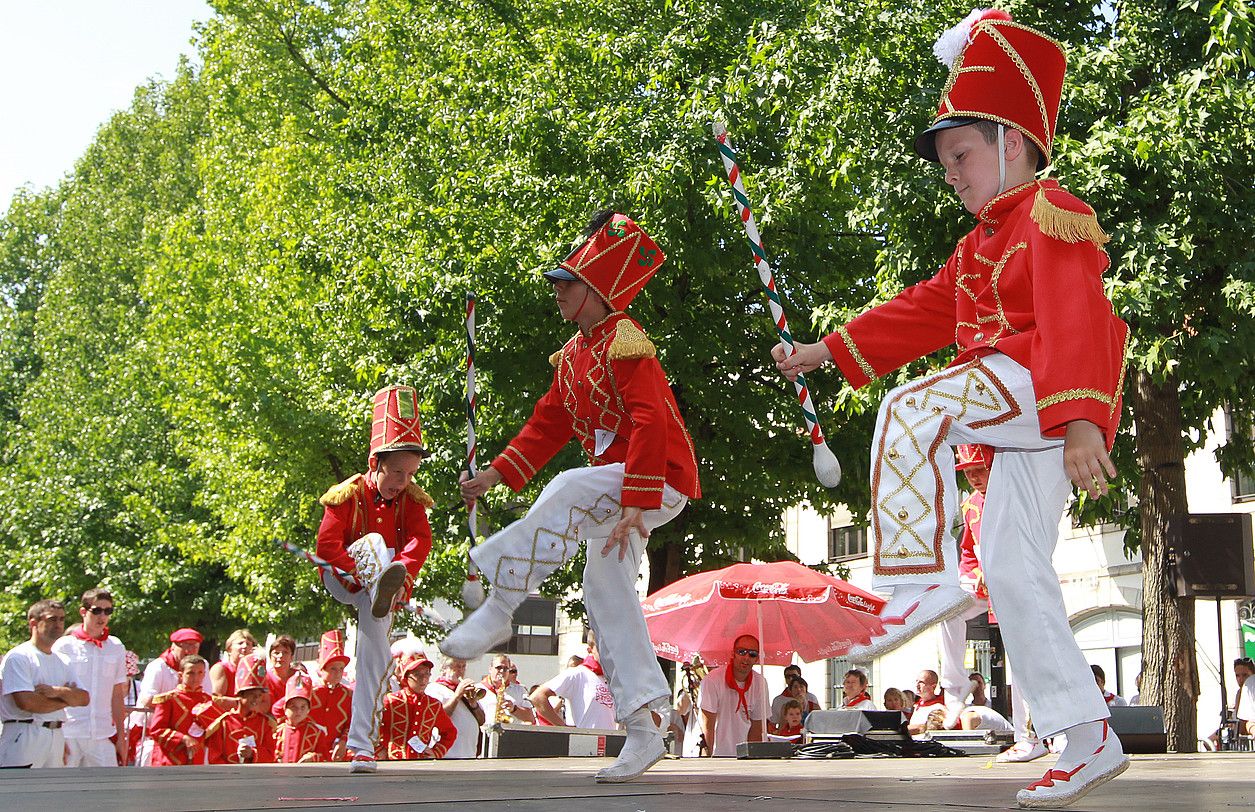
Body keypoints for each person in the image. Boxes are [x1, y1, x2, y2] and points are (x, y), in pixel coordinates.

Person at [773, 9, 1129, 807]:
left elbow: (1078, 317)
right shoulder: (974, 246)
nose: (952, 174)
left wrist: (1079, 421)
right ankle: (1085, 734)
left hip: (1037, 388)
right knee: (1009, 569)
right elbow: (918, 312)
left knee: (911, 406)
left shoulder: (1048, 213)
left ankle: (920, 578)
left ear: (1013, 141)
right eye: (945, 165)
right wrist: (823, 351)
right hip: (1020, 422)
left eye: (960, 155)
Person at [442, 210, 700, 784]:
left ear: (596, 290)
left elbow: (651, 421)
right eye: (558, 281)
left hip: (656, 479)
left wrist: (636, 500)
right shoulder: (573, 356)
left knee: (567, 485)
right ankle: (643, 723)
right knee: (603, 591)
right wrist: (495, 475)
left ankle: (499, 604)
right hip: (618, 492)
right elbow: (547, 425)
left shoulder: (627, 342)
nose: (557, 291)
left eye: (568, 282)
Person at [315, 384, 435, 774]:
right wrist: (363, 578)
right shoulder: (346, 495)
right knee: (376, 544)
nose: (402, 480)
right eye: (397, 471)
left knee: (375, 655)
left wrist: (401, 581)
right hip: (344, 578)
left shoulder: (411, 501)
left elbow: (420, 541)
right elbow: (327, 546)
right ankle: (383, 581)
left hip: (378, 591)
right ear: (375, 463)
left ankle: (361, 747)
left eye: (410, 473)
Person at [0, 600, 90, 768]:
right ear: (33, 622)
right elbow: (27, 702)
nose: (58, 624)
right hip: (24, 732)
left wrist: (58, 691)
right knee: (20, 791)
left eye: (61, 619)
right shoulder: (19, 657)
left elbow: (84, 698)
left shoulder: (63, 660)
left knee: (50, 791)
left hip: (55, 734)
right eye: (52, 619)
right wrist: (67, 700)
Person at [52, 587, 128, 767]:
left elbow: (117, 694)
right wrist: (57, 736)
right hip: (69, 732)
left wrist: (121, 736)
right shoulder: (64, 646)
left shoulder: (116, 646)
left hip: (101, 733)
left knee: (107, 790)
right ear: (83, 612)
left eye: (108, 611)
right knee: (65, 789)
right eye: (97, 610)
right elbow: (54, 691)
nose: (102, 616)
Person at [135, 628, 211, 766]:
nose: (190, 650)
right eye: (186, 645)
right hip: (160, 745)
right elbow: (147, 701)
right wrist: (177, 703)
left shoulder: (203, 666)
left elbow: (207, 699)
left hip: (195, 747)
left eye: (194, 646)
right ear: (173, 646)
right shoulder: (158, 667)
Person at [198, 654, 276, 764]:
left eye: (259, 695)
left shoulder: (265, 724)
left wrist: (253, 753)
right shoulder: (223, 723)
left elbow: (271, 754)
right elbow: (214, 756)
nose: (256, 699)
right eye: (252, 695)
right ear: (240, 696)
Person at [377, 656, 456, 760]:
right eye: (417, 674)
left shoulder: (433, 705)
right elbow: (371, 727)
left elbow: (450, 732)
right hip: (392, 762)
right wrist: (379, 750)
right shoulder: (391, 701)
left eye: (427, 674)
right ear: (406, 677)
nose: (423, 679)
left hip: (421, 763)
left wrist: (436, 752)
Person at [699, 635, 766, 757]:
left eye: (752, 654)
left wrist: (752, 759)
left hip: (742, 757)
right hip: (715, 755)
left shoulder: (760, 682)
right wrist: (707, 759)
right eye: (741, 652)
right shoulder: (712, 680)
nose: (746, 657)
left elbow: (757, 727)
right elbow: (707, 726)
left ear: (757, 658)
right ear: (733, 653)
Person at [530, 637, 617, 730]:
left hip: (610, 739)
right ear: (590, 649)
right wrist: (563, 727)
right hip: (584, 739)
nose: (607, 652)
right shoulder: (577, 674)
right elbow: (537, 697)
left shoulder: (612, 677)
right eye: (601, 647)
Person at [147, 656, 212, 766]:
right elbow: (157, 730)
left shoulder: (208, 701)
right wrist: (183, 738)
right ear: (180, 675)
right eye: (191, 673)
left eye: (200, 673)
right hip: (170, 759)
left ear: (204, 675)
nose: (195, 677)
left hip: (197, 758)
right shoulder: (168, 699)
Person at [426, 656, 485, 759]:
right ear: (444, 669)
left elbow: (482, 721)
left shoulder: (466, 692)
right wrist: (457, 696)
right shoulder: (435, 688)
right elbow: (438, 717)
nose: (461, 671)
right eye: (457, 667)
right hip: (448, 754)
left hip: (469, 753)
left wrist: (474, 705)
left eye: (463, 667)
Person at [310, 630, 353, 761]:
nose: (338, 673)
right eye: (333, 668)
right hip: (309, 751)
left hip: (335, 754)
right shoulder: (310, 692)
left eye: (341, 669)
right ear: (322, 669)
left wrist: (343, 742)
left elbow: (350, 723)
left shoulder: (348, 695)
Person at [275, 672, 327, 763]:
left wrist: (313, 757)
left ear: (308, 710)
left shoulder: (317, 732)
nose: (298, 711)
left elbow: (325, 756)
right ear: (285, 709)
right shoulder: (278, 732)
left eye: (303, 707)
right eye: (293, 707)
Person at [481, 655, 535, 726]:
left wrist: (514, 709)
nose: (502, 671)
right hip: (485, 733)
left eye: (505, 668)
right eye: (498, 667)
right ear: (490, 669)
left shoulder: (520, 690)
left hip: (511, 734)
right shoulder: (479, 689)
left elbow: (531, 718)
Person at [209, 629, 257, 697]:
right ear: (229, 649)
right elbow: (216, 699)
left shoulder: (253, 672)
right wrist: (244, 702)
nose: (245, 646)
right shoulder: (221, 669)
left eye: (248, 644)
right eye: (240, 643)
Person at [907, 671, 947, 735]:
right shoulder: (917, 706)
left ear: (933, 686)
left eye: (921, 682)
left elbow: (929, 728)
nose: (917, 685)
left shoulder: (939, 707)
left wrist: (903, 730)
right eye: (917, 681)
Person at [264, 635, 298, 706]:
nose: (280, 656)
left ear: (291, 657)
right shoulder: (264, 678)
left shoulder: (299, 677)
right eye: (276, 653)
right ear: (270, 656)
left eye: (285, 652)